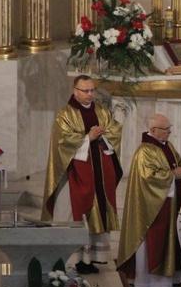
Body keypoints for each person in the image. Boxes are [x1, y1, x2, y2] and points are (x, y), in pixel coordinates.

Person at [41, 75, 123, 274]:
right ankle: (70, 259)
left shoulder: (101, 111)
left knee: (97, 214)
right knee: (72, 215)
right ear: (75, 91)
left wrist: (103, 136)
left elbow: (114, 129)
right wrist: (88, 137)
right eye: (85, 91)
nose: (89, 95)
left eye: (92, 90)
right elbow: (62, 142)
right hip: (74, 175)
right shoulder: (65, 115)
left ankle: (89, 259)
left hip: (99, 174)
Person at [116, 114, 181, 287]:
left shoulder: (167, 146)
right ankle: (149, 282)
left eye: (169, 128)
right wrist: (174, 175)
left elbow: (178, 160)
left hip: (170, 203)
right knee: (154, 240)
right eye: (166, 129)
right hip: (152, 208)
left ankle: (170, 279)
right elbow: (148, 178)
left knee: (171, 238)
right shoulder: (145, 151)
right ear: (153, 130)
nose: (169, 132)